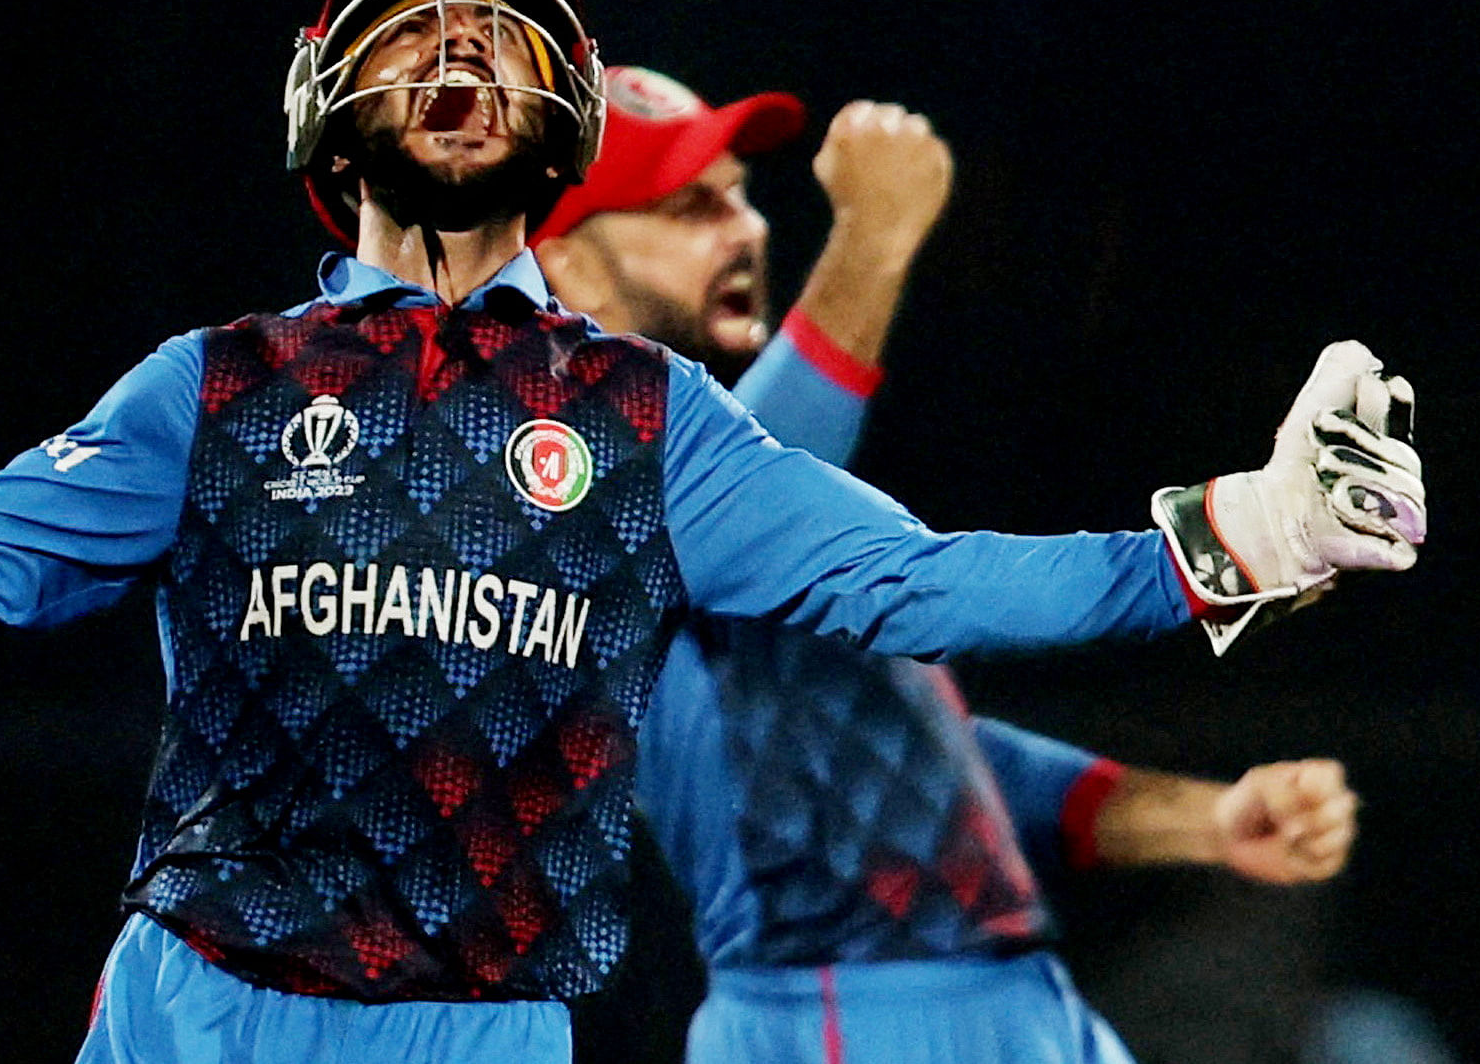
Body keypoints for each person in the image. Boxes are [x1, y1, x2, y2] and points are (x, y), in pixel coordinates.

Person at [0, 0, 1425, 1064]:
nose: (459, 50)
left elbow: (916, 590)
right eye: (410, 37)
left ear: (556, 122)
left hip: (467, 1039)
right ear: (328, 110)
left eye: (499, 34)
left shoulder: (648, 423)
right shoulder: (209, 389)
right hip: (190, 1013)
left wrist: (1254, 531)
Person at [535, 65, 1368, 1063]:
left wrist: (1200, 821)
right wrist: (871, 242)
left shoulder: (758, 513)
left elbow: (936, 759)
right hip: (836, 1012)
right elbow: (798, 494)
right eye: (687, 208)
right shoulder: (554, 481)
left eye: (739, 195)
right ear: (570, 269)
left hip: (1006, 993)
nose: (745, 229)